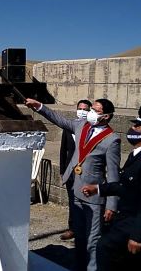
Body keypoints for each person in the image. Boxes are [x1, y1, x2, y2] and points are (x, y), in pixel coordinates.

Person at [25, 98, 121, 271]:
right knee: (80, 239)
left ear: (106, 116)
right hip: (77, 191)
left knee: (93, 240)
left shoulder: (111, 139)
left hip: (94, 196)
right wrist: (39, 106)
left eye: (96, 111)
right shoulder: (82, 126)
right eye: (91, 108)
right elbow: (59, 119)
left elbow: (113, 174)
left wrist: (112, 205)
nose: (91, 112)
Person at [81, 105, 141, 271]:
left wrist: (138, 236)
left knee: (105, 248)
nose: (132, 128)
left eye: (137, 126)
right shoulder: (137, 155)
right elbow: (125, 185)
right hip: (127, 218)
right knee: (124, 262)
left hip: (137, 222)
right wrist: (99, 189)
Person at [59, 99, 92, 241]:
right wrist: (62, 170)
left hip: (85, 171)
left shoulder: (92, 128)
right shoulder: (68, 127)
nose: (82, 112)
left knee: (85, 200)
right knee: (72, 200)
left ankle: (87, 227)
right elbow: (63, 150)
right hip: (70, 171)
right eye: (80, 108)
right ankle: (72, 227)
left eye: (85, 109)